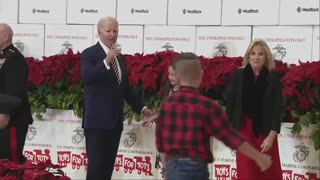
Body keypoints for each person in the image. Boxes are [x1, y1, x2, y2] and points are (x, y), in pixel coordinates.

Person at [156, 52, 273, 180]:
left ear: (177, 76)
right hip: (195, 168)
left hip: (173, 166)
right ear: (200, 74)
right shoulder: (206, 105)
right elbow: (230, 137)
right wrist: (258, 156)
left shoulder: (167, 104)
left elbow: (160, 141)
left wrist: (166, 169)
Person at [80, 16, 153, 180]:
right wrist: (106, 61)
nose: (112, 34)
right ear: (99, 32)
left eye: (115, 31)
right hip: (96, 124)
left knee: (106, 171)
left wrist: (142, 108)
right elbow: (87, 77)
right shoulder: (89, 54)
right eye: (108, 31)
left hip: (114, 123)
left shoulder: (120, 58)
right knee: (96, 170)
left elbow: (125, 89)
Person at [224, 39, 283, 180]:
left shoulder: (273, 77)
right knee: (247, 173)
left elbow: (277, 109)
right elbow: (231, 104)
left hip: (265, 133)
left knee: (268, 173)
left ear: (266, 57)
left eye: (261, 54)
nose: (256, 57)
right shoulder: (239, 75)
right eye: (253, 53)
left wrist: (271, 136)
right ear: (248, 56)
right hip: (243, 131)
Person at [0, 23, 33, 164]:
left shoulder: (14, 58)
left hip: (11, 119)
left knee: (11, 161)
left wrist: (4, 112)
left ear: (5, 36)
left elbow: (14, 89)